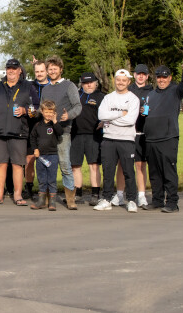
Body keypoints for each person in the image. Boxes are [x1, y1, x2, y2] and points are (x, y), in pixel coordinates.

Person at [0, 58, 39, 206]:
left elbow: (36, 107)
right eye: (9, 68)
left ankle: (18, 195)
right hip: (0, 132)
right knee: (1, 164)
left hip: (19, 132)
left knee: (17, 165)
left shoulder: (28, 86)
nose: (11, 71)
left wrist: (25, 111)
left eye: (14, 68)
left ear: (19, 70)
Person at [143, 59, 183, 213]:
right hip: (151, 138)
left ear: (170, 78)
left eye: (164, 77)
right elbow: (146, 112)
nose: (161, 80)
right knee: (154, 173)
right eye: (159, 77)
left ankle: (172, 202)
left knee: (169, 171)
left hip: (167, 138)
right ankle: (157, 200)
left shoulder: (176, 91)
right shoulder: (151, 94)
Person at [94, 69, 140, 213]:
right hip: (109, 139)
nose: (120, 83)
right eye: (118, 80)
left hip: (126, 139)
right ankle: (106, 199)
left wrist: (110, 119)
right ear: (115, 80)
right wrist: (120, 113)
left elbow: (130, 120)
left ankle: (131, 200)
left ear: (128, 82)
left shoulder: (133, 99)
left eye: (123, 80)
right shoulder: (108, 98)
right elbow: (101, 115)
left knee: (128, 171)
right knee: (108, 171)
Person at [40, 55, 82, 209]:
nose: (52, 71)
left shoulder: (69, 86)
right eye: (50, 69)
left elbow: (77, 106)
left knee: (65, 165)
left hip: (63, 131)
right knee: (47, 165)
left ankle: (70, 199)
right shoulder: (45, 89)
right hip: (47, 133)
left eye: (55, 69)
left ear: (61, 69)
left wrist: (68, 115)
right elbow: (42, 108)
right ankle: (46, 197)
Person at [70, 72, 105, 206]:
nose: (89, 85)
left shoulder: (102, 96)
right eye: (86, 83)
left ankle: (95, 194)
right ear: (82, 84)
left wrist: (103, 122)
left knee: (93, 165)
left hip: (94, 135)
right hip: (76, 134)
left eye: (91, 82)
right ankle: (77, 194)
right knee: (75, 166)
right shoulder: (76, 95)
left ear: (96, 83)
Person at [125, 64, 154, 207]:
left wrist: (148, 111)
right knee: (124, 164)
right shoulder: (128, 90)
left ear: (147, 76)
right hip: (128, 132)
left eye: (144, 74)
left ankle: (141, 195)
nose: (141, 76)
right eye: (138, 74)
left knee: (141, 165)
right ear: (134, 75)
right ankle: (121, 194)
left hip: (143, 132)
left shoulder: (152, 92)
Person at [29, 100, 63, 211]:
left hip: (52, 156)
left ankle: (52, 202)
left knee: (52, 179)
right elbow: (32, 138)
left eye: (51, 112)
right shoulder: (38, 125)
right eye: (46, 112)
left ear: (54, 113)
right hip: (40, 157)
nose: (48, 114)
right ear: (42, 112)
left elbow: (60, 132)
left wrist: (55, 121)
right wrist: (35, 149)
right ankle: (41, 201)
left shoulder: (54, 125)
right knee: (42, 178)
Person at [24, 59, 49, 200]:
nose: (39, 74)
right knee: (29, 159)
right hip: (31, 127)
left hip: (47, 128)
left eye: (42, 71)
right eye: (37, 71)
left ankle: (45, 189)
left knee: (46, 160)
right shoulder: (29, 86)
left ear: (47, 71)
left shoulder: (52, 86)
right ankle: (28, 188)